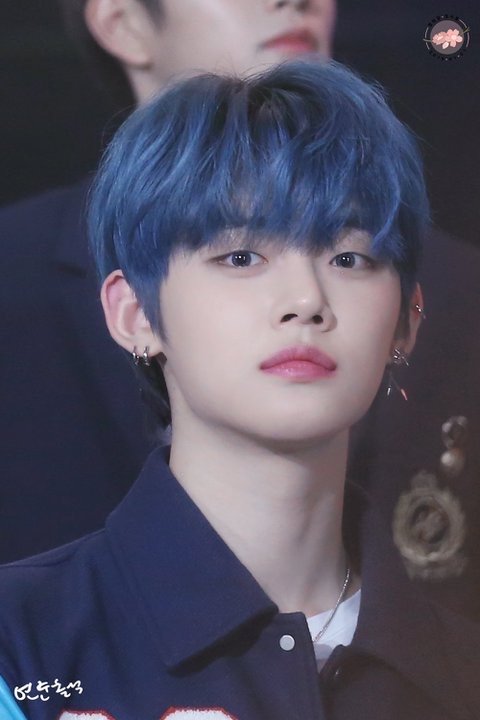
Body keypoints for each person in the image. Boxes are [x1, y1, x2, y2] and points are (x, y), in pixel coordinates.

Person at [1, 59, 478, 720]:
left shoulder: (462, 670)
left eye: (349, 258)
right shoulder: (20, 644)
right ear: (135, 314)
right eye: (241, 257)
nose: (306, 300)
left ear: (407, 320)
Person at [0, 0, 336, 563]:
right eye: (240, 257)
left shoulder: (451, 287)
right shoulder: (13, 278)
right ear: (125, 22)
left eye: (350, 260)